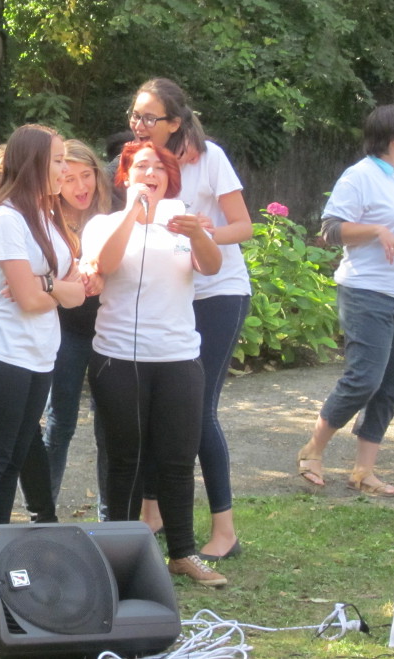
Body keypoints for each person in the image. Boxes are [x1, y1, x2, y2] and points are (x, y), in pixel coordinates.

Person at [84, 141, 226, 586]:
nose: (151, 172)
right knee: (124, 457)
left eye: (159, 166)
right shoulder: (104, 223)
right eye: (140, 165)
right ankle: (117, 552)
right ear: (124, 176)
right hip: (118, 359)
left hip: (179, 357)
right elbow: (103, 264)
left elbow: (212, 267)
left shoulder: (184, 221)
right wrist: (133, 212)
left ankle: (182, 553)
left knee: (178, 459)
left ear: (170, 177)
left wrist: (198, 233)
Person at [125, 78, 252, 561]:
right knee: (159, 409)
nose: (138, 125)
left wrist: (199, 233)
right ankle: (151, 514)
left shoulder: (209, 157)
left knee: (199, 414)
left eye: (148, 118)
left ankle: (225, 531)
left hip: (218, 293)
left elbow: (244, 227)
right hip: (172, 294)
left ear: (174, 123)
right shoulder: (139, 162)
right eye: (135, 116)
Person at [296, 104, 394, 496]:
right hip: (369, 293)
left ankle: (364, 470)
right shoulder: (359, 177)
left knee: (392, 386)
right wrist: (376, 230)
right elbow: (330, 230)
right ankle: (313, 449)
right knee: (365, 378)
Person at [0, 124, 84, 529]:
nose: (66, 170)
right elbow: (29, 301)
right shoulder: (8, 219)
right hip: (4, 355)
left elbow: (78, 292)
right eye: (59, 160)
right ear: (33, 163)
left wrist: (47, 284)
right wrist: (54, 289)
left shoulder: (48, 219)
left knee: (13, 460)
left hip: (39, 355)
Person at [42, 140, 110, 504]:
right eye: (70, 179)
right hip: (64, 331)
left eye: (88, 176)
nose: (81, 187)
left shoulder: (112, 216)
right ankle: (43, 512)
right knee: (59, 424)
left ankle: (109, 517)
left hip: (108, 332)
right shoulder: (43, 220)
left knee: (109, 427)